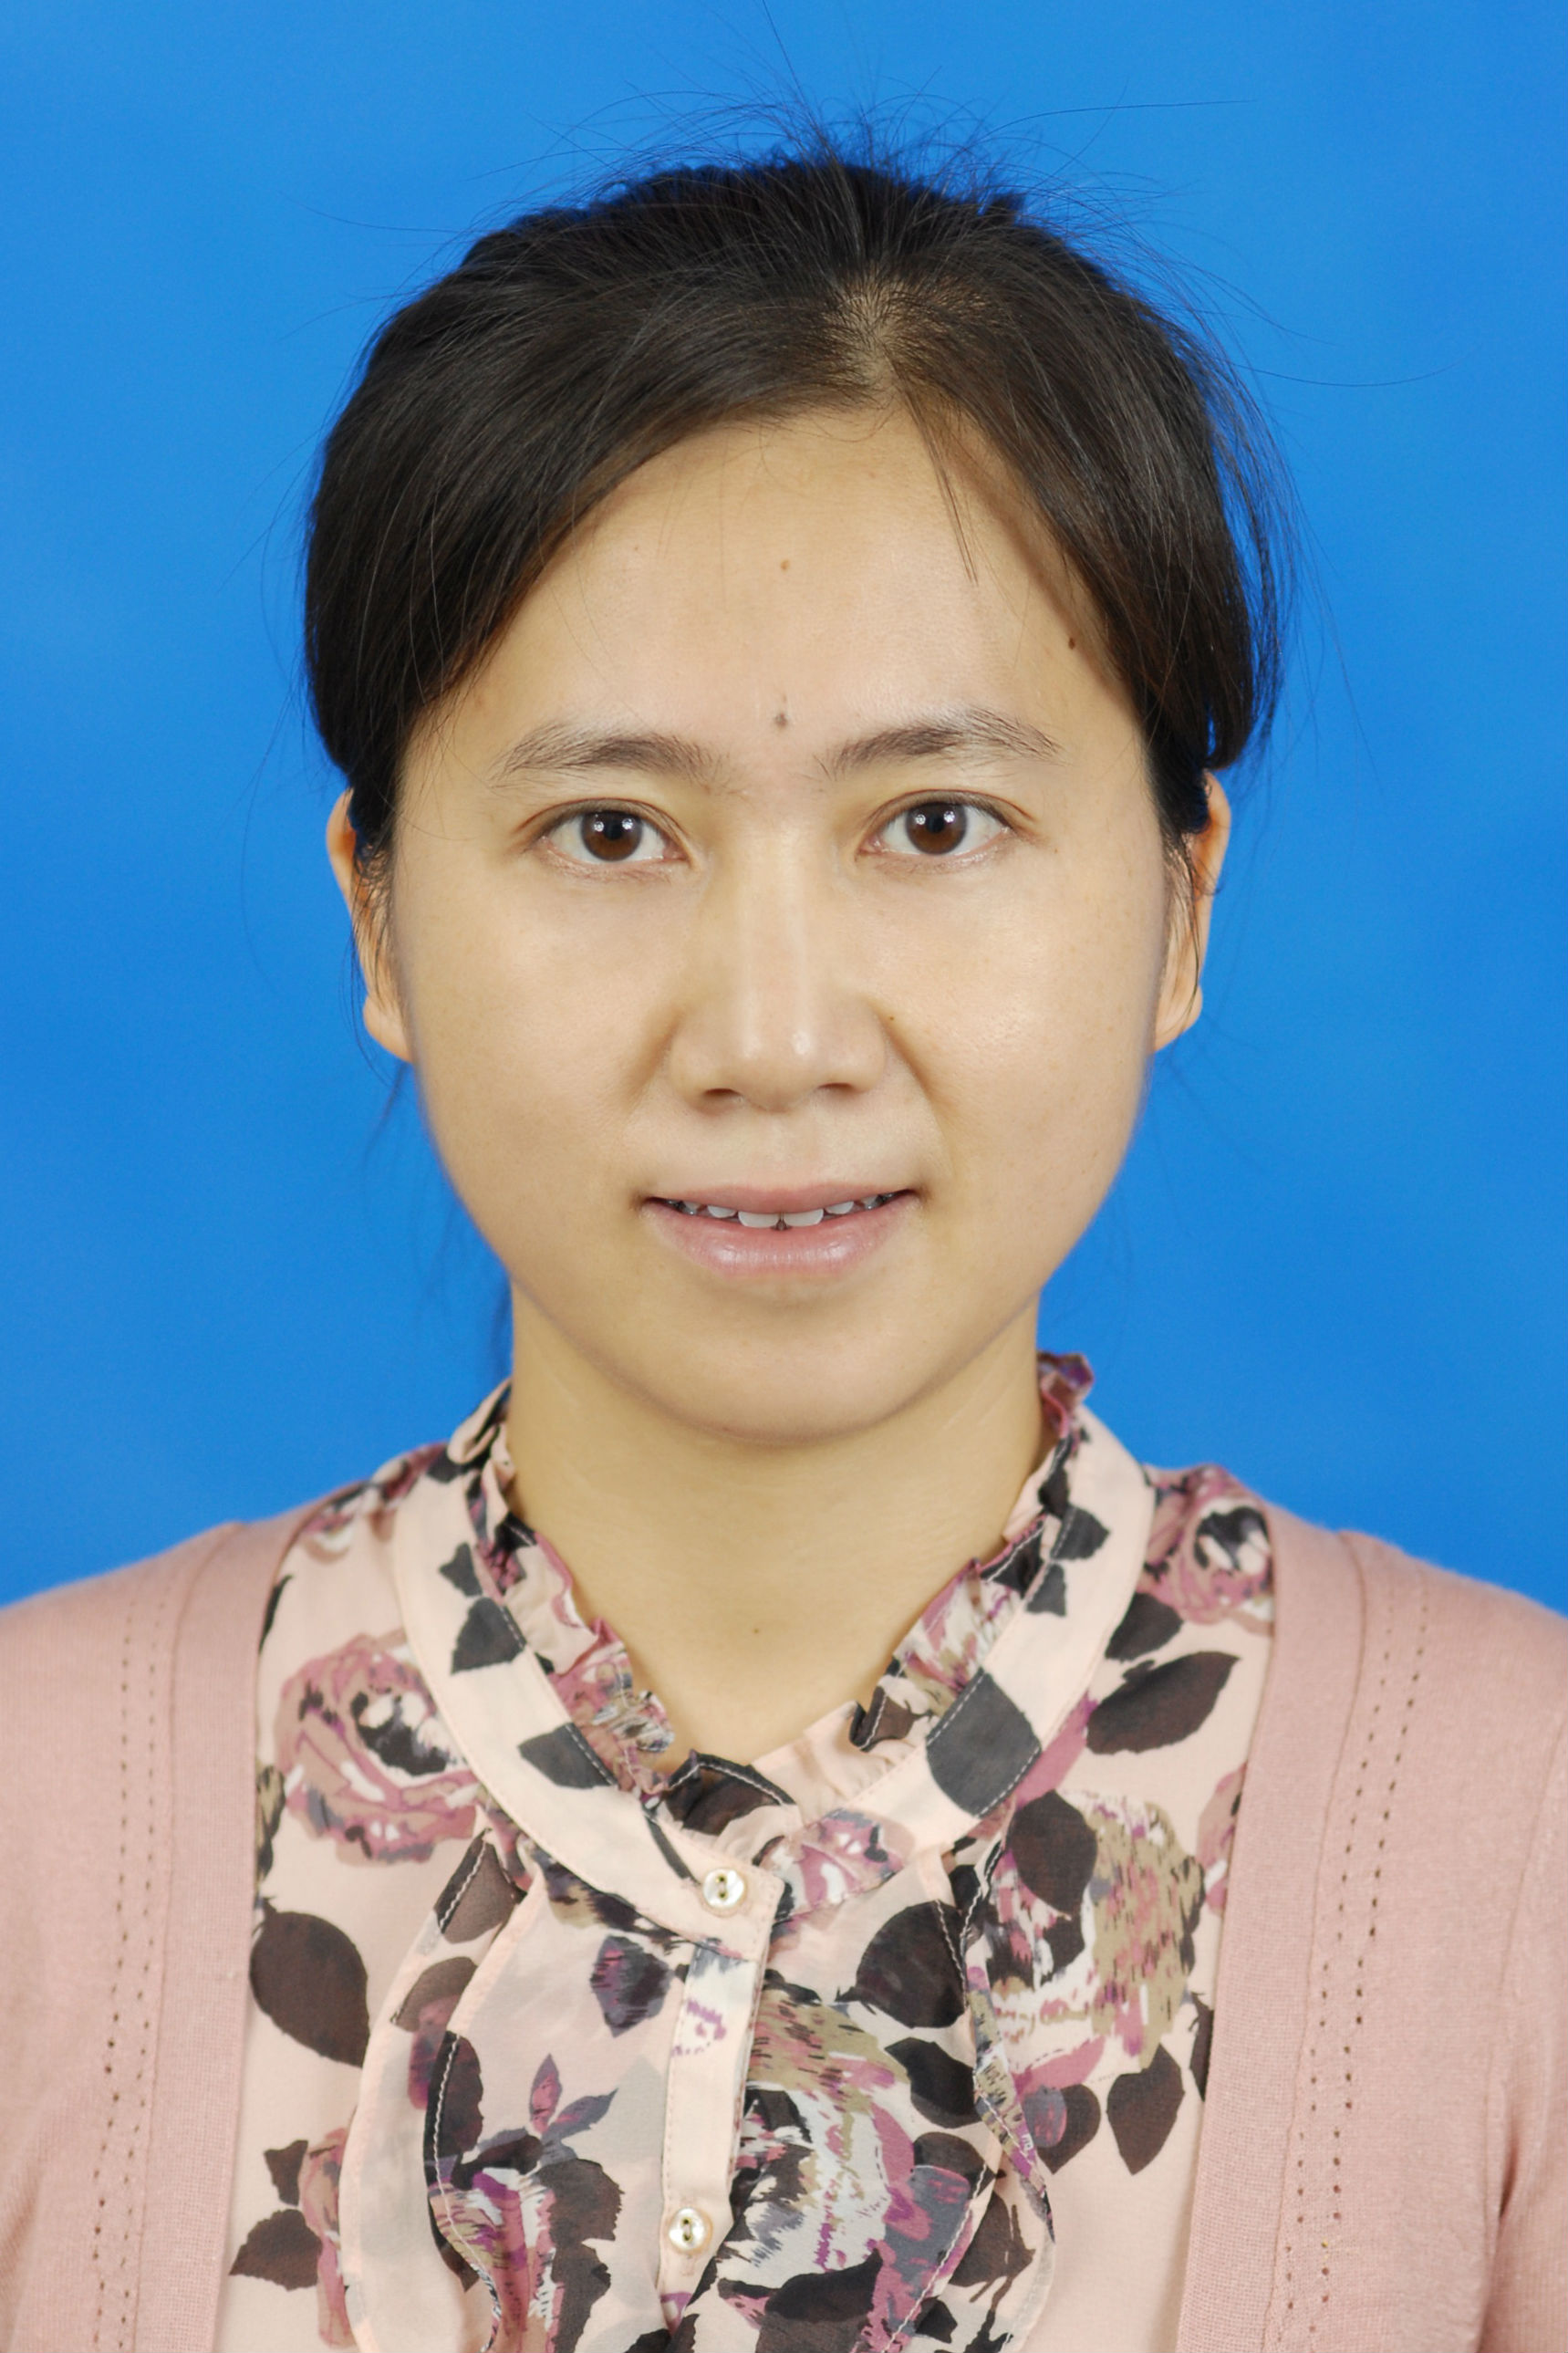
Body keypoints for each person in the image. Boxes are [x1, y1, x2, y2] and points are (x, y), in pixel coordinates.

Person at [1, 143, 1562, 2353]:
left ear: (1180, 901)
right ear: (377, 914)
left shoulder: (1518, 1835)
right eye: (606, 830)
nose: (770, 1037)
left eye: (934, 822)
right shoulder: (33, 1816)